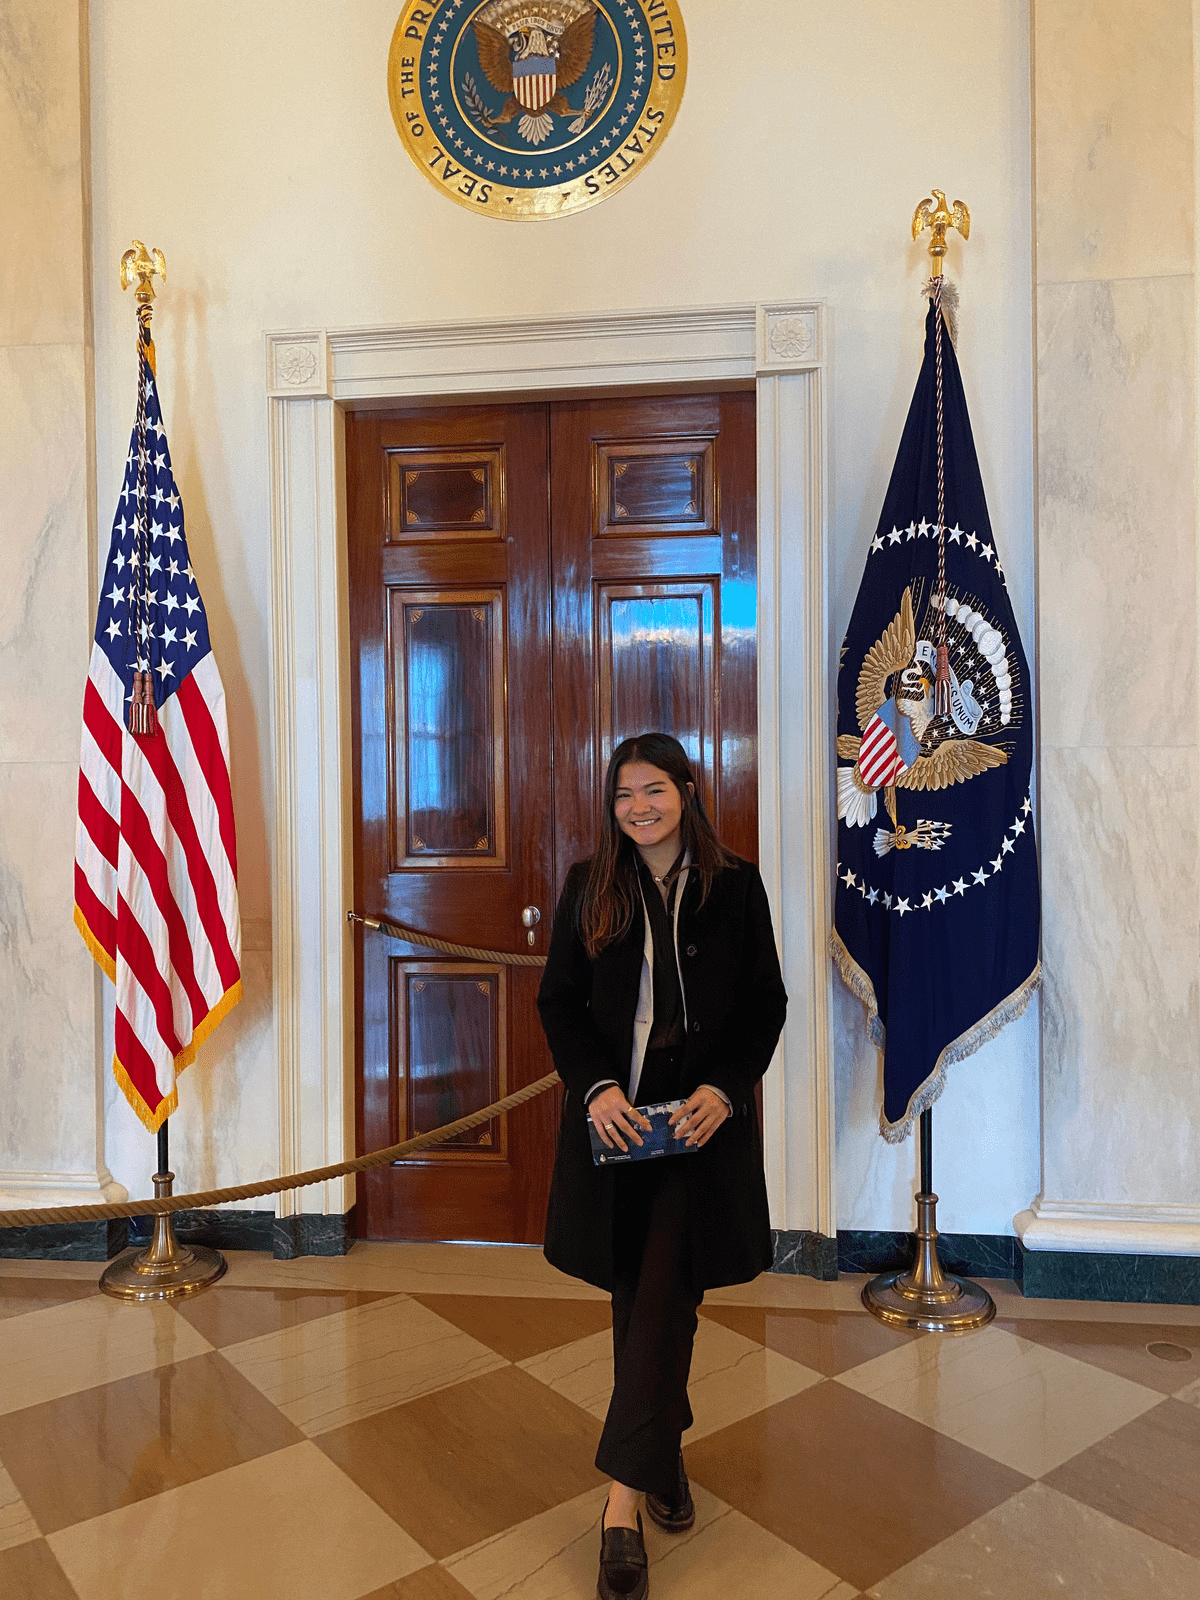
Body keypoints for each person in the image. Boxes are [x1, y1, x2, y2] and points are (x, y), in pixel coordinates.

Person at [537, 733, 787, 1600]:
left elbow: (766, 1003)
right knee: (640, 1298)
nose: (637, 807)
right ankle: (663, 1459)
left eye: (653, 790)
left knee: (667, 1289)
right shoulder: (587, 887)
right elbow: (558, 1001)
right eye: (622, 795)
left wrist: (727, 1086)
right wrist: (595, 1088)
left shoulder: (736, 887)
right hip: (617, 1132)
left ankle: (620, 1506)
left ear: (687, 790)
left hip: (698, 1130)